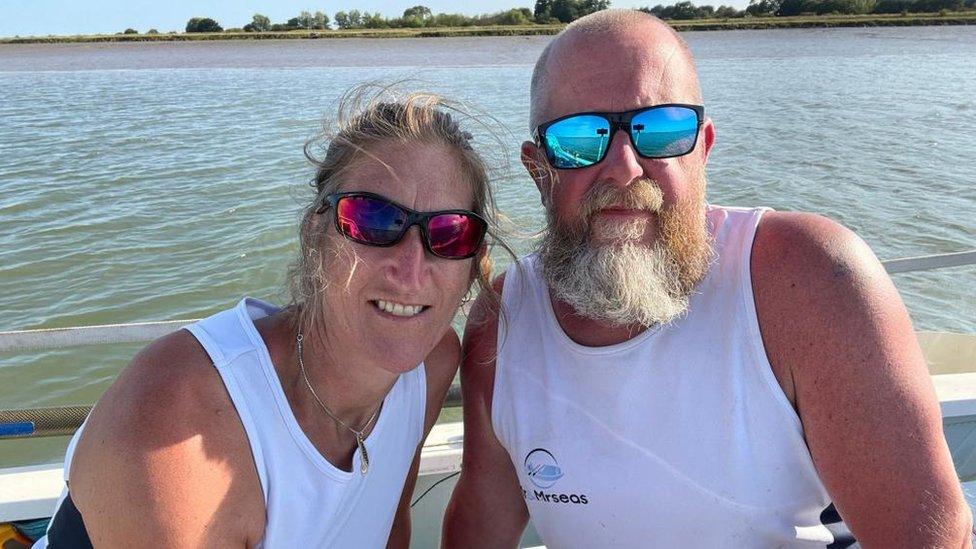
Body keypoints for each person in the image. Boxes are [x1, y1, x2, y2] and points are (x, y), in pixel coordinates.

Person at [443, 10, 971, 548]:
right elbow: (481, 523)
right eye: (581, 138)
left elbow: (929, 538)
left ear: (704, 148)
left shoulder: (807, 281)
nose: (625, 167)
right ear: (538, 169)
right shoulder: (504, 321)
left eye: (663, 130)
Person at [33, 89, 502, 548]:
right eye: (374, 219)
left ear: (473, 259)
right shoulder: (183, 416)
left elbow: (388, 528)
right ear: (315, 228)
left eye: (450, 233)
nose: (411, 269)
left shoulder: (432, 365)